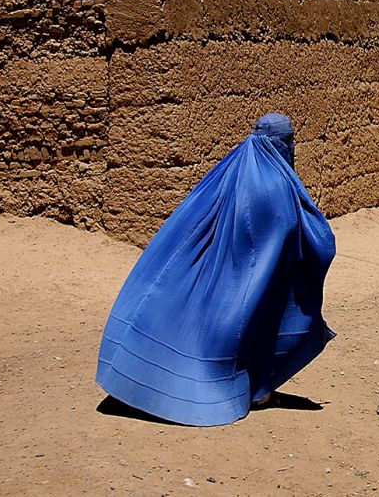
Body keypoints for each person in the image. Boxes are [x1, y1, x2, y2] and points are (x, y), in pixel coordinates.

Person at [96, 113, 336, 426]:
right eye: (290, 142)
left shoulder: (234, 169)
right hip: (248, 276)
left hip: (227, 268)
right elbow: (289, 232)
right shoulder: (276, 184)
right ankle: (242, 387)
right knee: (242, 323)